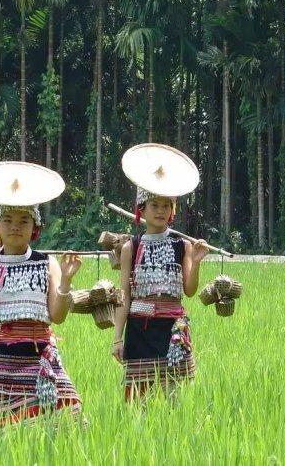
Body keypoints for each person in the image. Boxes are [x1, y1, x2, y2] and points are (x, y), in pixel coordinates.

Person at [0, 162, 82, 425]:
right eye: (8, 220)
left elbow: (57, 317)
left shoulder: (47, 264)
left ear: (34, 227)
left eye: (23, 220)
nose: (15, 226)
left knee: (68, 421)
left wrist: (67, 282)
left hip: (39, 361)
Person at [111, 144, 210, 401]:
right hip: (139, 329)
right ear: (141, 208)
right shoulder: (130, 248)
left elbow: (189, 290)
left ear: (173, 210)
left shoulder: (182, 246)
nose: (160, 211)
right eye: (154, 204)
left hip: (171, 330)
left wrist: (196, 262)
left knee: (173, 400)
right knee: (137, 404)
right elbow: (124, 295)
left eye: (166, 205)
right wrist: (117, 338)